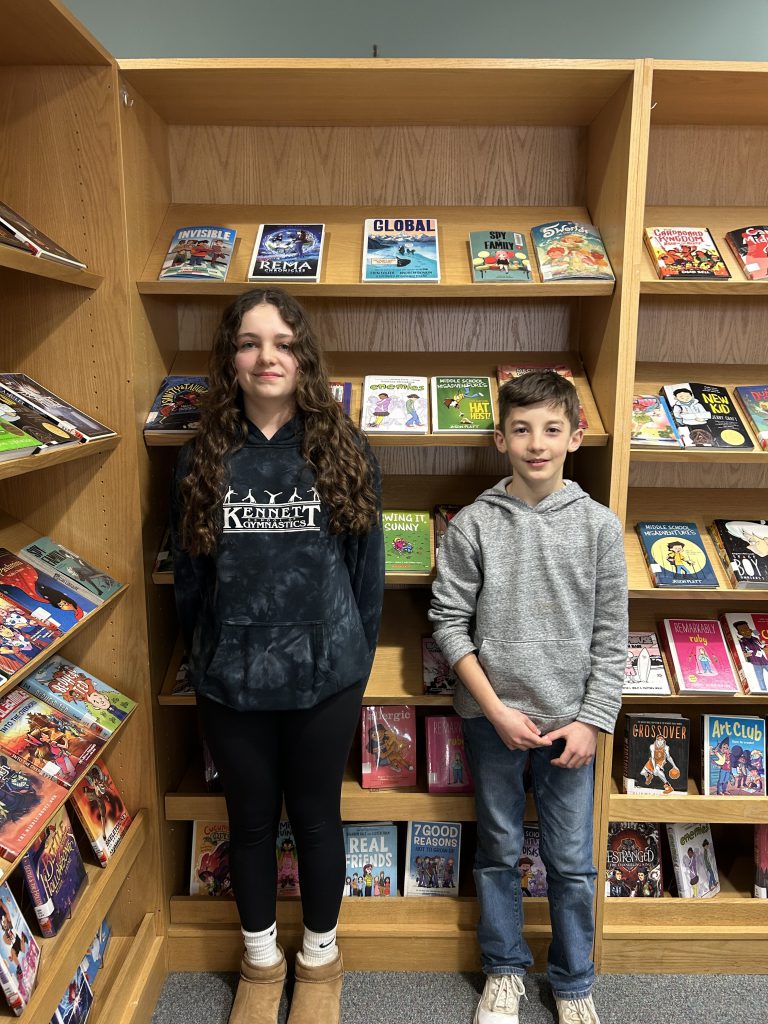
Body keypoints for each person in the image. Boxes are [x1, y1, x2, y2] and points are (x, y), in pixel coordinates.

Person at [171, 287, 384, 1024]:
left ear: (305, 358)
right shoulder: (204, 456)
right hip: (232, 680)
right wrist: (208, 658)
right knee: (251, 822)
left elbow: (367, 574)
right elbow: (192, 580)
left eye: (284, 343)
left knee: (319, 820)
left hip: (325, 676)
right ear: (230, 358)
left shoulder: (342, 446)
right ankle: (261, 962)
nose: (268, 357)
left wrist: (351, 663)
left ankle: (320, 960)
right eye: (252, 342)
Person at [429, 370, 627, 1024]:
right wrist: (494, 710)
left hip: (572, 728)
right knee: (498, 850)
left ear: (576, 434)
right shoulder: (474, 526)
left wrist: (593, 722)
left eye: (550, 429)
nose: (536, 443)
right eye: (521, 429)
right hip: (493, 724)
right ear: (500, 439)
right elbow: (449, 623)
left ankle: (573, 983)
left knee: (571, 863)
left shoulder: (599, 528)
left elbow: (610, 633)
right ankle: (505, 971)